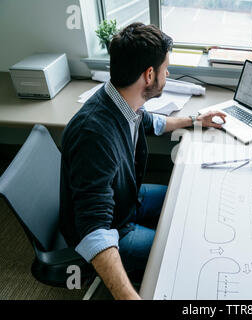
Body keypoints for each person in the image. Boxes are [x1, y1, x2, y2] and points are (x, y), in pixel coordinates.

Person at [59, 23, 226, 300]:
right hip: (112, 228)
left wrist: (196, 120)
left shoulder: (120, 99)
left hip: (127, 198)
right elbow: (94, 231)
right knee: (186, 251)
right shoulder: (94, 136)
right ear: (149, 75)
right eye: (165, 68)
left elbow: (150, 122)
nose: (168, 73)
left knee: (187, 196)